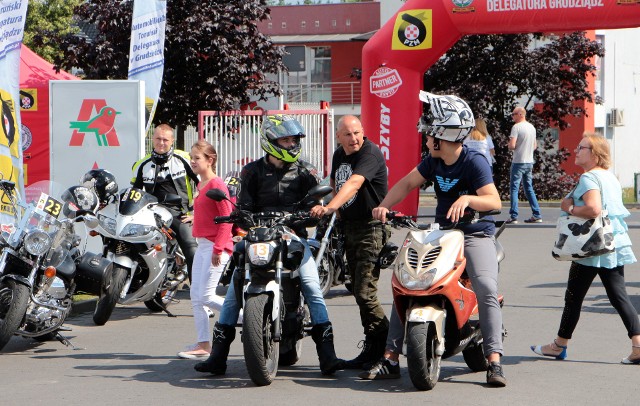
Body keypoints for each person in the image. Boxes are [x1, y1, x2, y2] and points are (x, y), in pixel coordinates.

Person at [362, 91, 507, 387]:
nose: (425, 138)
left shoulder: (473, 161)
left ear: (443, 134)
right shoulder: (433, 161)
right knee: (407, 280)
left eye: (429, 133)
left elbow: (494, 202)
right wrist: (384, 206)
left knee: (486, 288)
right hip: (443, 233)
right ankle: (390, 356)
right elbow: (406, 183)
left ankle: (494, 361)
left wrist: (468, 199)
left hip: (475, 234)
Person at [194, 114, 342, 376]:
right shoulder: (251, 171)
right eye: (285, 140)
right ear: (271, 141)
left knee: (311, 286)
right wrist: (237, 214)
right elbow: (243, 205)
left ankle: (327, 356)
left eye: (293, 140)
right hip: (258, 235)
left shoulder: (306, 171)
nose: (291, 145)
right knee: (235, 283)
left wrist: (315, 210)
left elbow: (315, 202)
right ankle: (217, 357)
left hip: (292, 236)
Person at [531, 133, 640, 364]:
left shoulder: (589, 178)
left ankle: (558, 346)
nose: (576, 151)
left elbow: (593, 209)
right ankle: (638, 345)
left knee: (573, 297)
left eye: (582, 148)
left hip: (590, 246)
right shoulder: (609, 177)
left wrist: (569, 208)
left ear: (595, 154)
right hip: (612, 243)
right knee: (619, 296)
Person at [310, 115, 390, 370]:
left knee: (366, 292)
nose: (354, 138)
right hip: (350, 227)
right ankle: (373, 346)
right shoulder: (338, 155)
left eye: (357, 132)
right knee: (356, 289)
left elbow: (354, 183)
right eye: (348, 134)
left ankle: (386, 349)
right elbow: (335, 183)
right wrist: (333, 210)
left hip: (371, 227)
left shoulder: (371, 153)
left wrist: (331, 207)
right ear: (338, 136)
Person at [176, 140, 234, 360]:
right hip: (203, 245)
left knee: (207, 296)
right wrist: (194, 217)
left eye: (196, 158)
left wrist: (219, 249)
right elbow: (208, 212)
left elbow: (226, 220)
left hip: (215, 246)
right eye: (191, 157)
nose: (192, 161)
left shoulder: (216, 185)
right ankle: (203, 345)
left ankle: (248, 317)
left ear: (210, 160)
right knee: (196, 296)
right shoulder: (201, 184)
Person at [131, 124, 199, 282]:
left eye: (165, 139)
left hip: (180, 213)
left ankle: (197, 289)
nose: (161, 143)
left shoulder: (186, 159)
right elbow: (135, 192)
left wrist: (196, 212)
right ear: (153, 139)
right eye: (158, 139)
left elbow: (204, 184)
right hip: (151, 215)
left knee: (191, 248)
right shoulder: (141, 164)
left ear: (172, 141)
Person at [507, 106, 542, 224]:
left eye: (514, 114)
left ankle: (513, 216)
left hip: (518, 161)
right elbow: (535, 146)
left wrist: (512, 146)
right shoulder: (531, 127)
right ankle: (536, 214)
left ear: (520, 114)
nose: (512, 116)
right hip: (529, 161)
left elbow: (512, 145)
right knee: (529, 188)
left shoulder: (516, 127)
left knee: (514, 188)